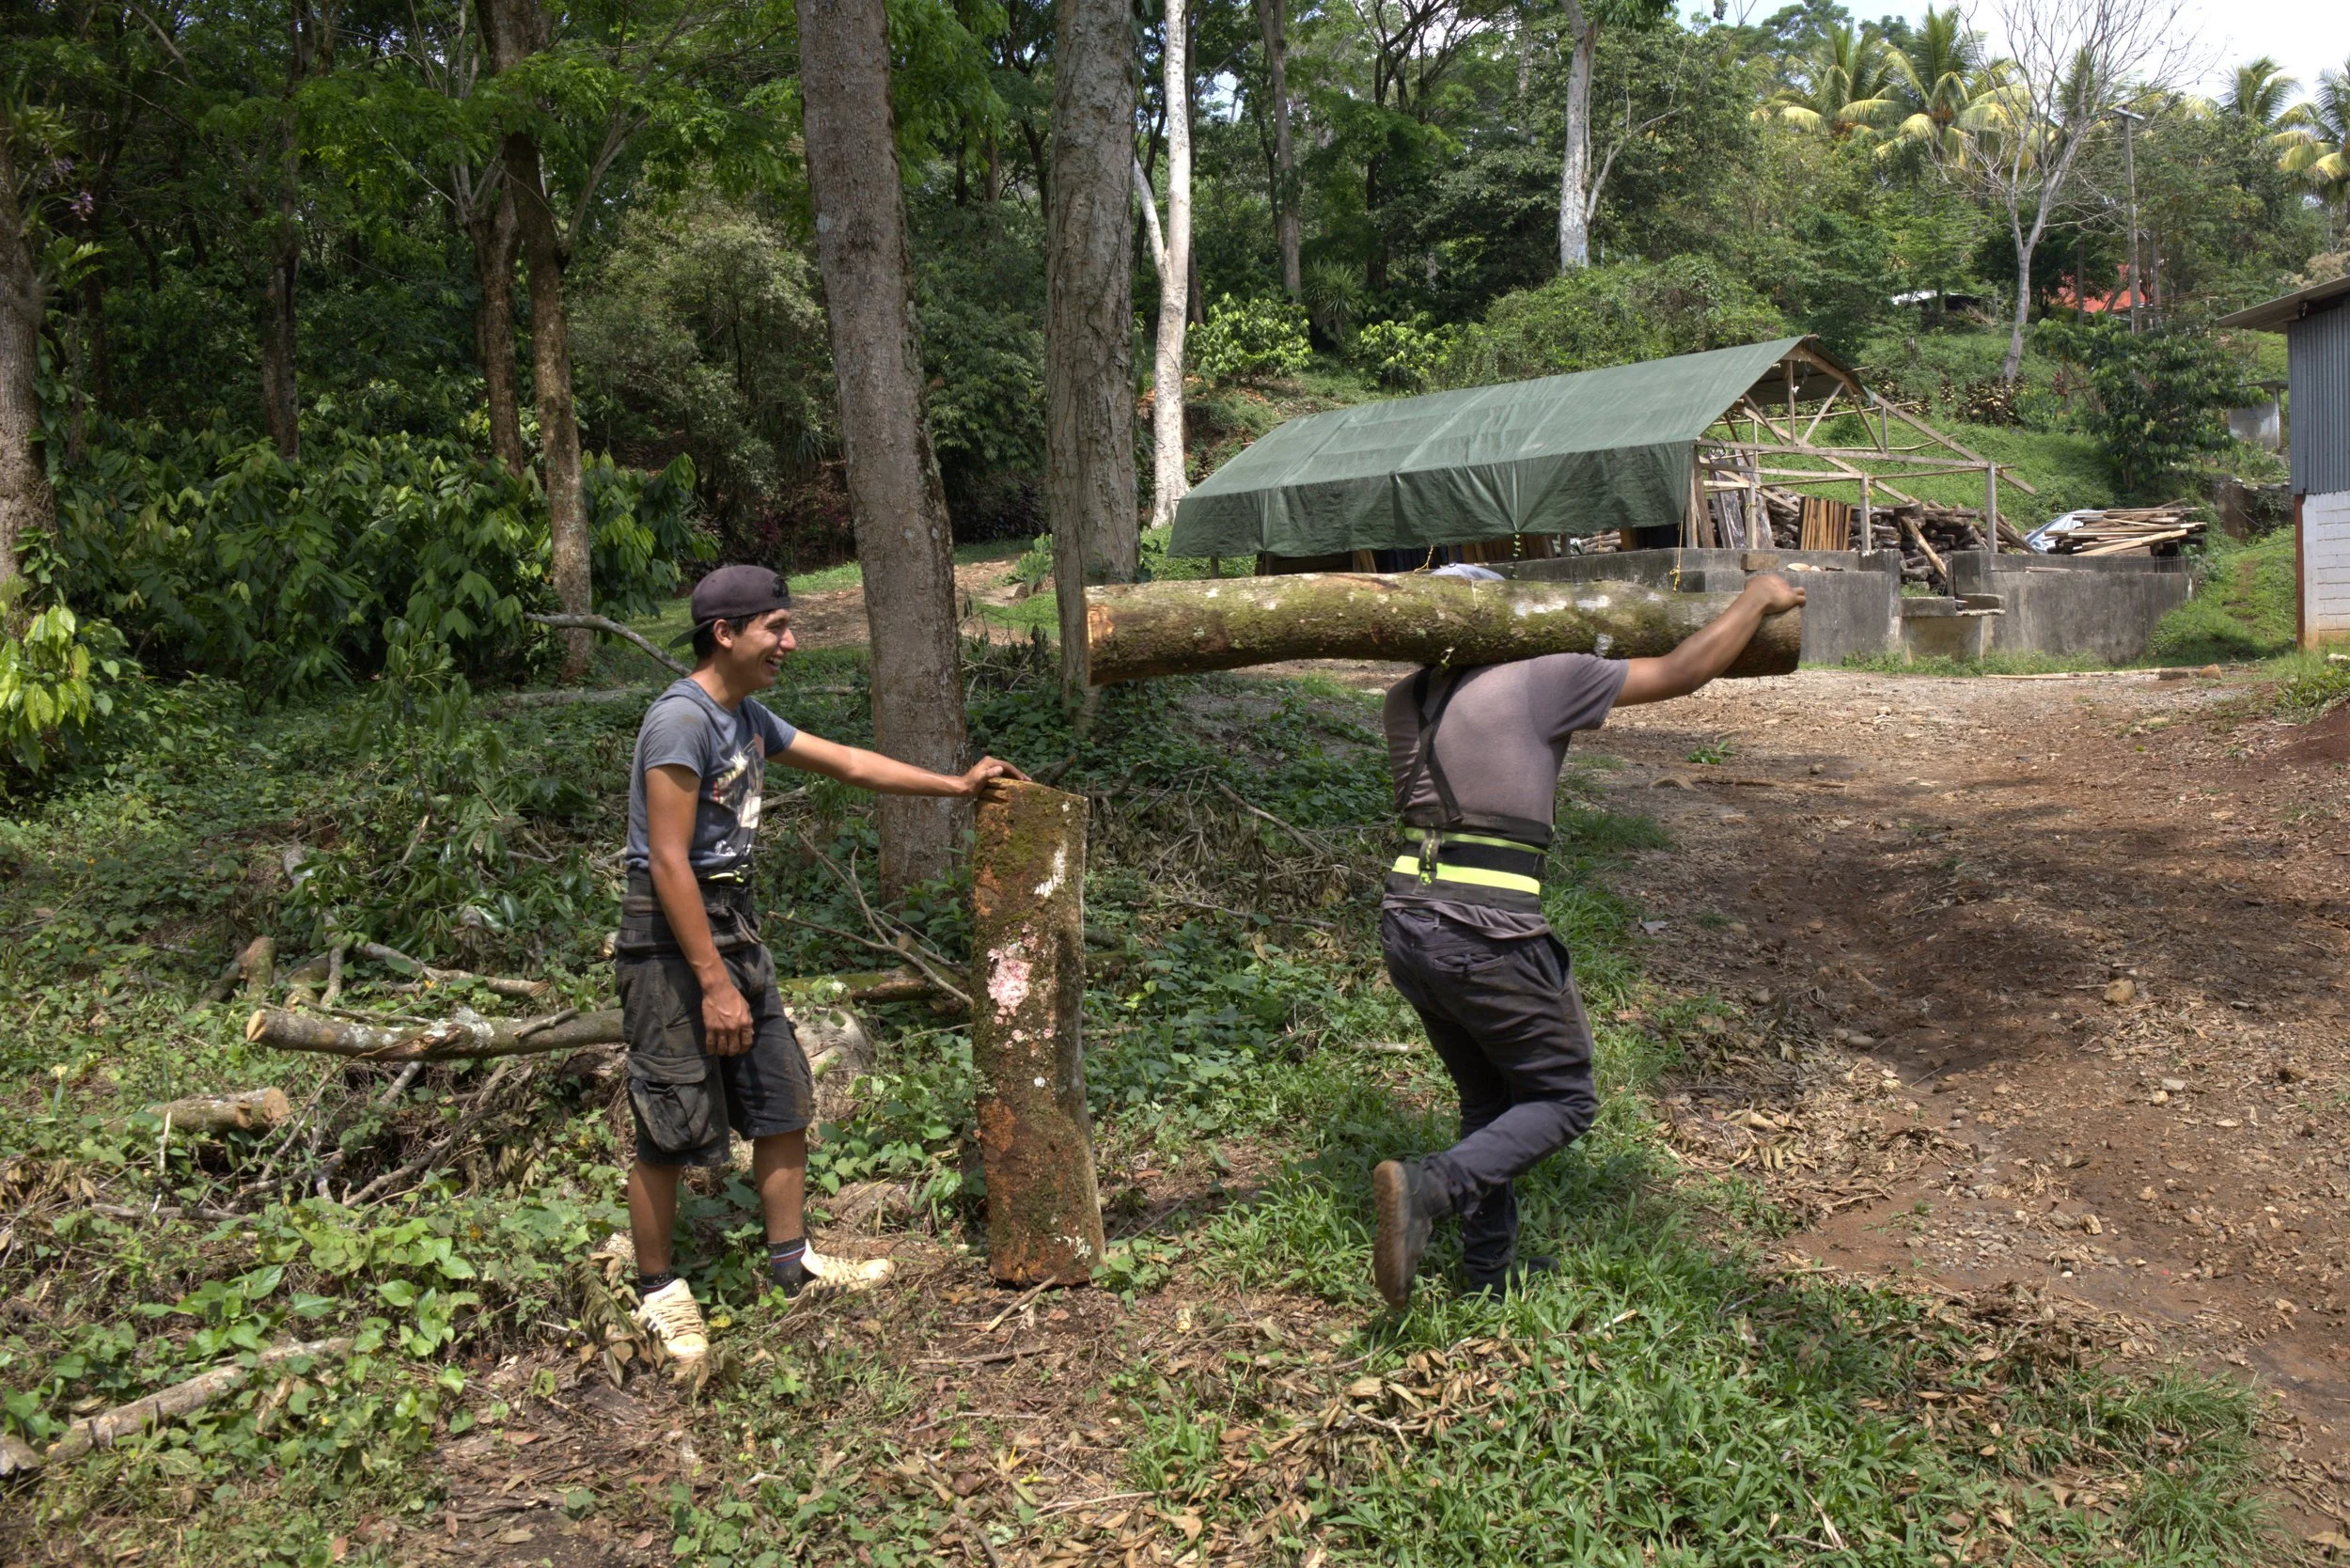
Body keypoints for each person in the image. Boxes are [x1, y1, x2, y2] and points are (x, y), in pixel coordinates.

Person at [618, 564, 1027, 1370]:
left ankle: (791, 1264)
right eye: (775, 627)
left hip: (733, 925)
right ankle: (659, 1291)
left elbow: (845, 762)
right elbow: (666, 861)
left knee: (781, 1098)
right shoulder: (681, 722)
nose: (790, 641)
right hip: (671, 940)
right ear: (725, 635)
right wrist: (710, 981)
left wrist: (953, 784)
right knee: (669, 1121)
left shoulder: (746, 717)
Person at [1370, 567, 1806, 1308]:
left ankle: (1486, 1274)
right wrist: (1758, 599)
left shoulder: (1403, 699)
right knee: (1564, 1097)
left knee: (1491, 1102)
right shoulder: (1543, 678)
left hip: (1408, 923)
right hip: (1486, 933)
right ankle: (1428, 1191)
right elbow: (1682, 670)